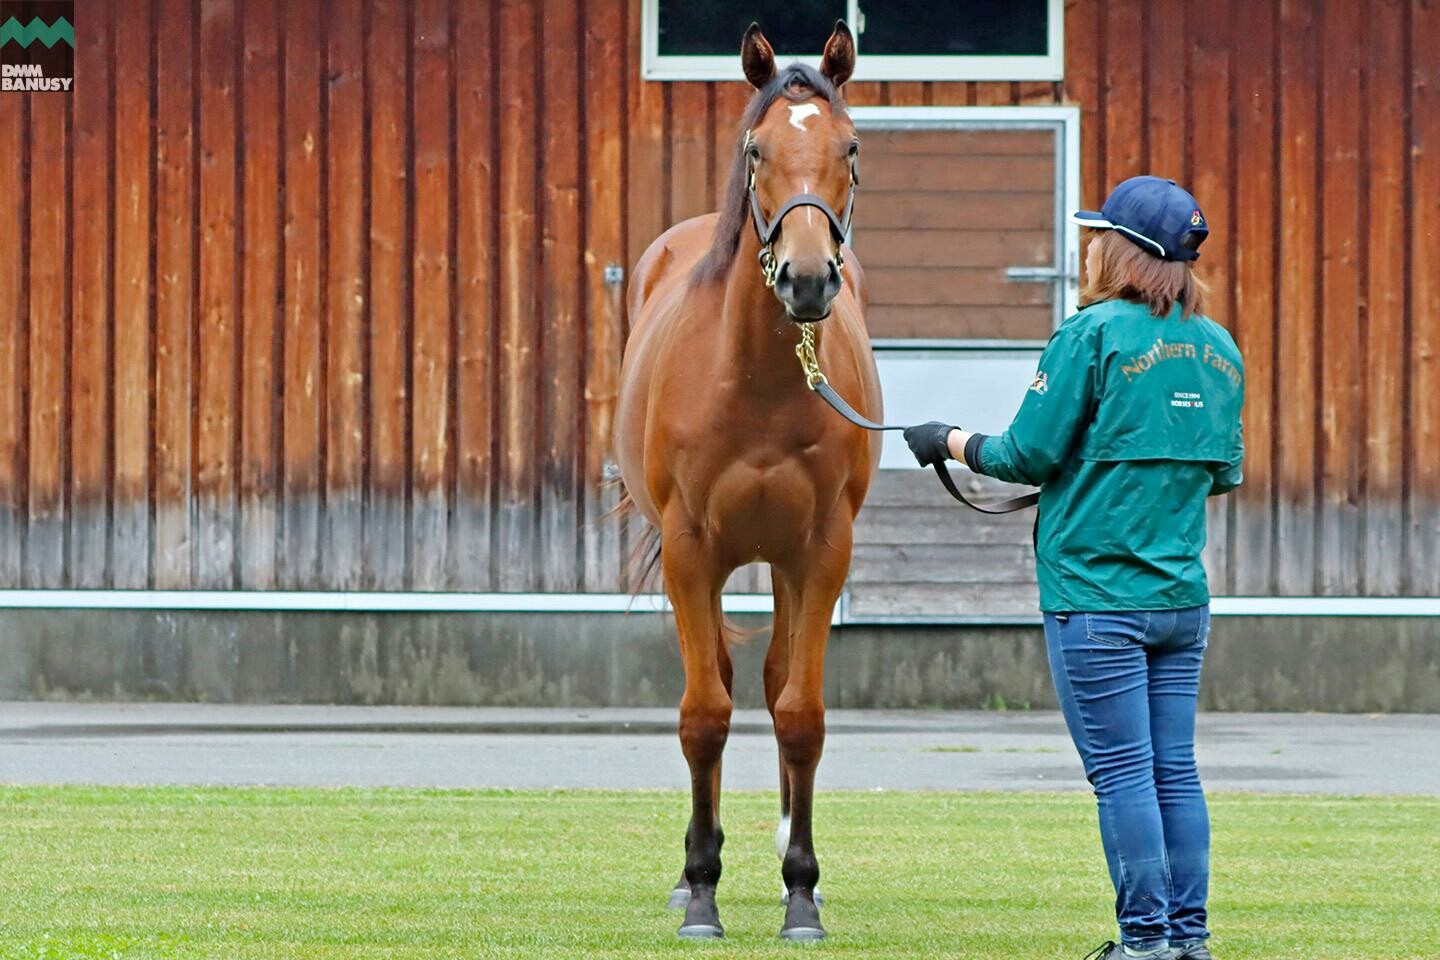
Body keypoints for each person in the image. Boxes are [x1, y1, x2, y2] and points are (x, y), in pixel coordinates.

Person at [904, 176, 1244, 960]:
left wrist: (948, 439)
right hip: (1180, 600)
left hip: (1096, 601)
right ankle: (1186, 941)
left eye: (1099, 234)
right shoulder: (1220, 347)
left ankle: (1145, 941)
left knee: (1124, 776)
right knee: (1173, 774)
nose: (1088, 244)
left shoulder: (1090, 336)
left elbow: (1025, 454)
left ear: (1125, 251)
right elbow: (1221, 472)